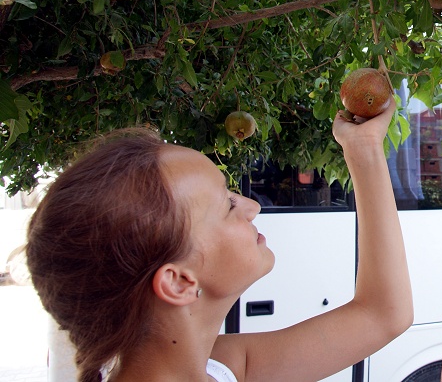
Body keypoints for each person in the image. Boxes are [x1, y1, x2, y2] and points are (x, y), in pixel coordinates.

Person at [25, 101, 413, 382]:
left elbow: (382, 314)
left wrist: (363, 148)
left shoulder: (221, 366)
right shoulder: (227, 365)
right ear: (179, 281)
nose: (252, 206)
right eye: (227, 204)